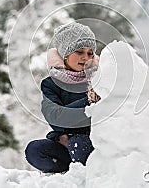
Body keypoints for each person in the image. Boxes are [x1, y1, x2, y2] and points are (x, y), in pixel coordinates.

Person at [25, 22, 101, 173]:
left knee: (77, 143)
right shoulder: (50, 84)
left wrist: (71, 130)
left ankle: (90, 175)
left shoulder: (100, 79)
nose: (86, 57)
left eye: (90, 53)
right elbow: (55, 118)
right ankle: (68, 173)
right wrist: (89, 100)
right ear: (64, 54)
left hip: (95, 143)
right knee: (35, 150)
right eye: (79, 52)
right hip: (64, 145)